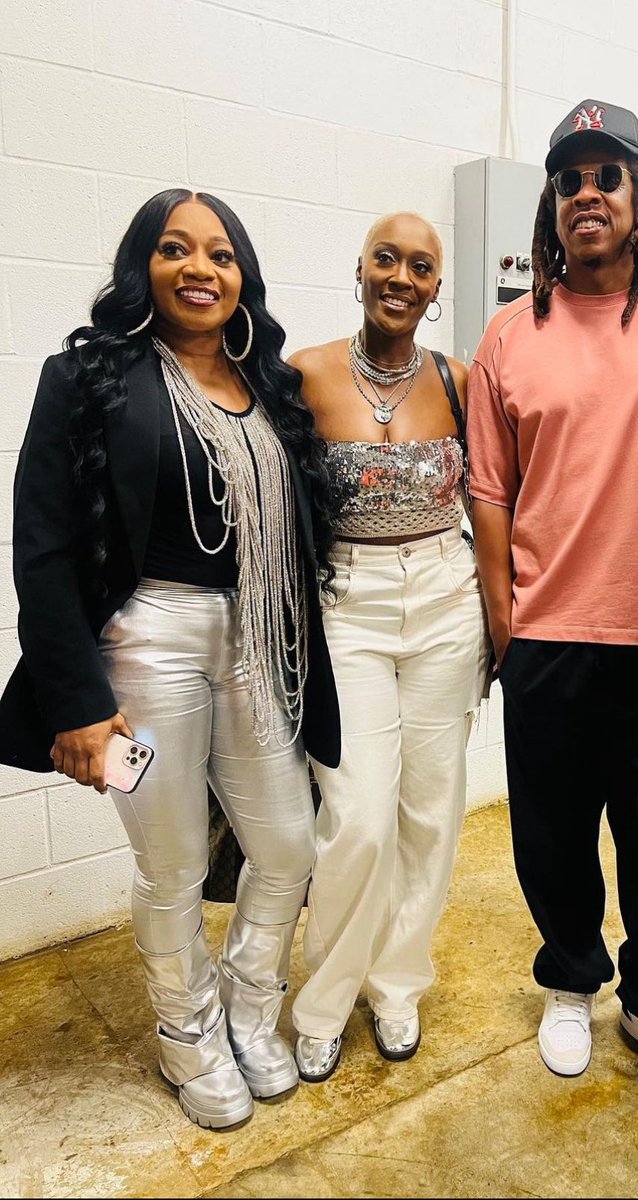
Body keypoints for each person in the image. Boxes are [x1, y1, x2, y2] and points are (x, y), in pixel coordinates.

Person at [0, 190, 340, 1130]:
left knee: (285, 843)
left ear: (243, 277)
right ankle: (186, 1032)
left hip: (258, 639)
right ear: (142, 265)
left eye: (221, 254)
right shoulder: (91, 375)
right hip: (144, 640)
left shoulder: (267, 385)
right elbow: (42, 544)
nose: (201, 268)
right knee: (175, 861)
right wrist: (77, 699)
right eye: (176, 249)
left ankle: (249, 1004)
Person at [468, 99, 638, 1087]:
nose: (588, 194)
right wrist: (504, 627)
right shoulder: (509, 334)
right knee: (552, 833)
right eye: (570, 180)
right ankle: (571, 980)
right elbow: (488, 489)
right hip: (551, 630)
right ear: (552, 205)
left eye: (609, 176)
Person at [289, 211, 490, 1081]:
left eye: (420, 266)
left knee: (429, 814)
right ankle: (324, 1002)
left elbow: (493, 497)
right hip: (348, 606)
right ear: (360, 269)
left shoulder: (461, 378)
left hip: (447, 599)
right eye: (386, 259)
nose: (401, 277)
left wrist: (502, 616)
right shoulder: (302, 373)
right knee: (358, 820)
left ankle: (398, 986)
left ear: (438, 289)